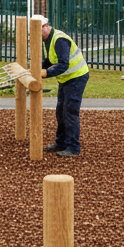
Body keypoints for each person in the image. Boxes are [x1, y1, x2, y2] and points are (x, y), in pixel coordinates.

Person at [32, 13, 90, 157]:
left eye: (36, 31)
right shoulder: (48, 39)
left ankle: (73, 148)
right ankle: (61, 143)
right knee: (60, 111)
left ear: (45, 26)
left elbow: (63, 64)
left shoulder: (59, 39)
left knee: (69, 112)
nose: (35, 35)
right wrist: (36, 68)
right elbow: (51, 60)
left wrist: (44, 73)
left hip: (76, 77)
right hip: (66, 79)